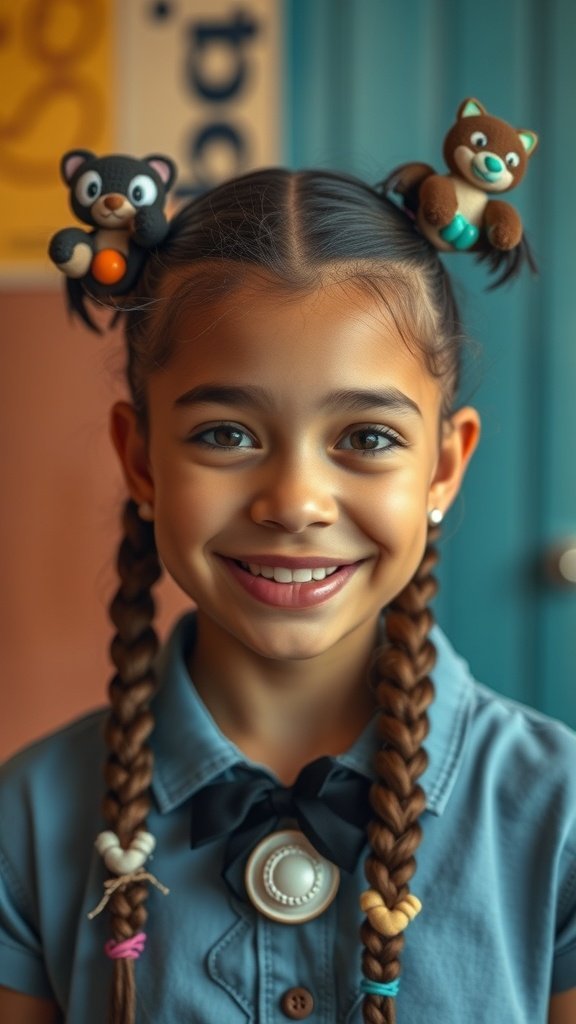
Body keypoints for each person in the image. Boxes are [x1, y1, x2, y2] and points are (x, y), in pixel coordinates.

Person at [0, 167, 574, 1024]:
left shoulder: (557, 818)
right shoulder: (28, 823)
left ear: (443, 467)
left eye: (367, 437)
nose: (295, 502)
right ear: (142, 459)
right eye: (226, 434)